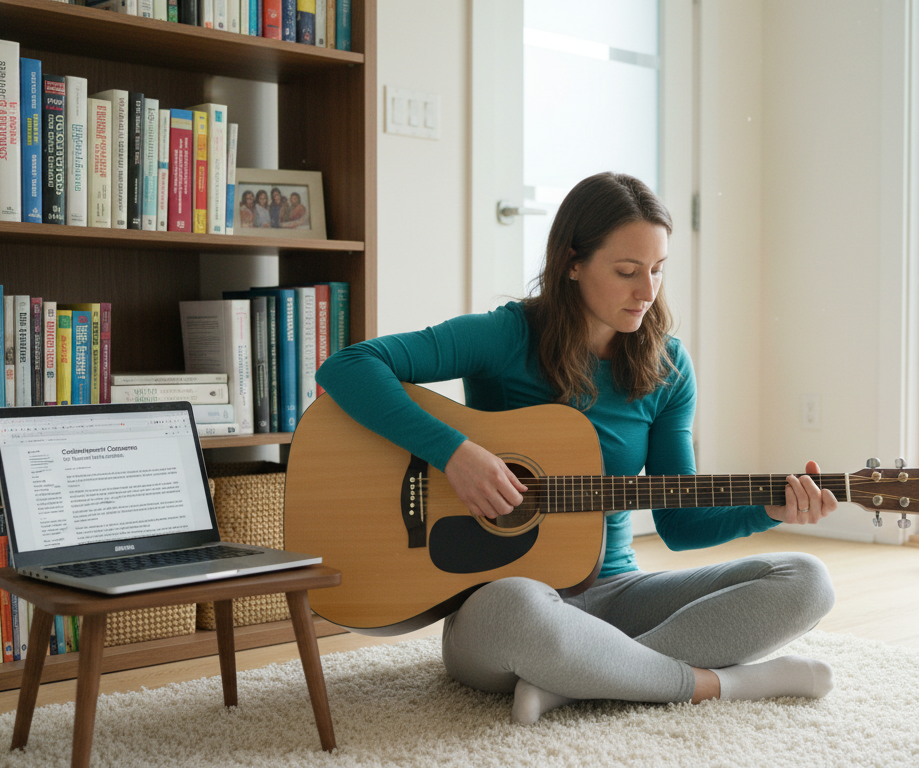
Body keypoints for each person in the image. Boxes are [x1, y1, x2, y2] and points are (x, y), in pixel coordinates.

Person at [316, 172, 838, 725]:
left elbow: (680, 526)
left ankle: (581, 680)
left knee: (806, 580)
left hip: (618, 596)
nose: (647, 291)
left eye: (658, 271)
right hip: (505, 604)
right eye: (627, 272)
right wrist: (455, 452)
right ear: (572, 261)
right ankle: (721, 685)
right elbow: (347, 366)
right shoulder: (508, 335)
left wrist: (765, 509)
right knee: (515, 609)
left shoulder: (668, 367)